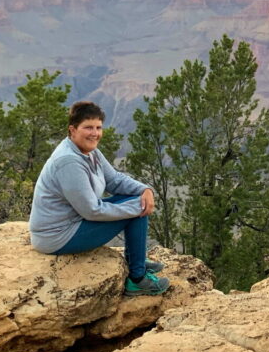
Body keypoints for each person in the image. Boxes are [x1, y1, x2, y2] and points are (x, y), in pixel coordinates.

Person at [29, 101, 170, 296]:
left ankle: (135, 259)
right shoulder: (69, 161)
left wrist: (144, 189)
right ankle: (137, 280)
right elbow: (92, 210)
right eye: (88, 127)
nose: (95, 133)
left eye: (98, 127)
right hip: (57, 236)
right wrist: (137, 207)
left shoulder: (89, 151)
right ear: (73, 130)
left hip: (74, 222)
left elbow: (114, 180)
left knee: (135, 200)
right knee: (136, 210)